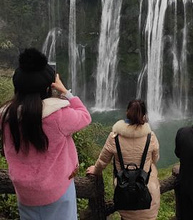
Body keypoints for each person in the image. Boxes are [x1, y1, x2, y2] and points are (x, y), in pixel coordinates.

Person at [0, 48, 91, 220]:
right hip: (58, 191)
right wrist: (66, 92)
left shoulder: (6, 116)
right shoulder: (58, 116)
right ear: (49, 87)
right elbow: (85, 116)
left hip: (25, 193)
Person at [87, 99, 160, 220]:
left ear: (127, 112)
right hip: (147, 193)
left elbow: (103, 160)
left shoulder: (114, 137)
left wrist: (96, 170)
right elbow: (155, 159)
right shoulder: (150, 137)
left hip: (124, 191)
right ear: (144, 115)